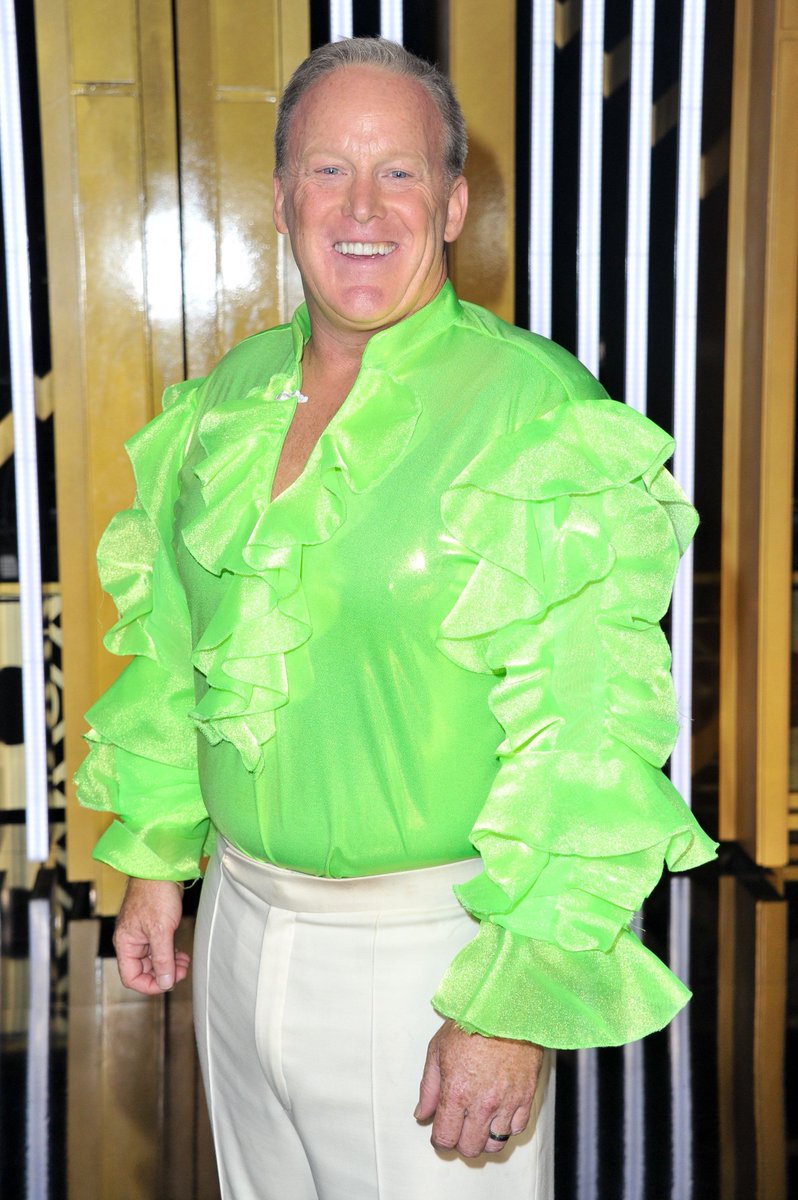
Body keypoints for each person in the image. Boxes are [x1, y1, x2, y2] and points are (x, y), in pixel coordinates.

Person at [75, 36, 717, 1200]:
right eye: (329, 169)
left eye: (400, 172)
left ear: (455, 202)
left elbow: (589, 740)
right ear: (282, 197)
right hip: (238, 929)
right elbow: (176, 648)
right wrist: (158, 859)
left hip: (432, 961)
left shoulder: (536, 409)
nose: (362, 207)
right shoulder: (228, 395)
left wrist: (512, 1000)